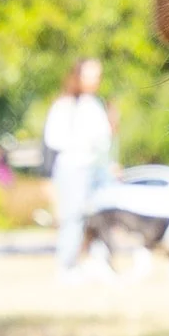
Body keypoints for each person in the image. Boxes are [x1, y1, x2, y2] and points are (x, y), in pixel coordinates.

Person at [42, 59, 116, 269]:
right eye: (90, 76)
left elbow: (104, 141)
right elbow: (53, 139)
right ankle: (66, 266)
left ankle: (99, 264)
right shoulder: (65, 105)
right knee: (72, 218)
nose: (94, 81)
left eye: (97, 76)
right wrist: (82, 143)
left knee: (100, 217)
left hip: (95, 167)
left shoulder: (95, 105)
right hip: (73, 167)